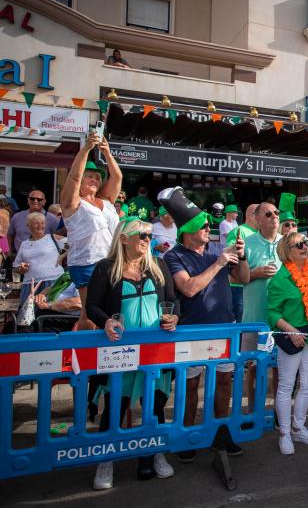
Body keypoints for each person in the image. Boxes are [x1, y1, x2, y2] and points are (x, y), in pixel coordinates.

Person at [84, 218, 179, 489]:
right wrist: (106, 321)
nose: (147, 238)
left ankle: (153, 455)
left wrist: (174, 319)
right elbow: (92, 306)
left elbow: (173, 302)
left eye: (150, 234)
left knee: (156, 405)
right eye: (141, 234)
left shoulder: (158, 265)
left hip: (155, 351)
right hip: (119, 351)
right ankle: (106, 461)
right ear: (123, 238)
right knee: (116, 406)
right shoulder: (105, 268)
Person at [159, 187, 248, 463]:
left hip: (223, 328)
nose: (209, 229)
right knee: (190, 386)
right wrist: (219, 262)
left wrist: (241, 257)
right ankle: (187, 435)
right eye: (205, 225)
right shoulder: (174, 256)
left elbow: (243, 278)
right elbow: (187, 288)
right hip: (192, 331)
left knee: (223, 381)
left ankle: (220, 433)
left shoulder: (216, 253)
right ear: (189, 230)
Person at [268, 232, 308, 454]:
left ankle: (298, 428)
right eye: (298, 244)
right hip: (290, 336)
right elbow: (272, 313)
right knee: (286, 386)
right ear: (287, 251)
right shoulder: (280, 279)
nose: (304, 246)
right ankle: (284, 433)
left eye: (306, 242)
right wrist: (291, 331)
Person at [61, 132, 121, 330]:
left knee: (108, 310)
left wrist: (107, 153)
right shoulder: (73, 203)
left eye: (97, 177)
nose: (94, 179)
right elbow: (74, 177)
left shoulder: (105, 201)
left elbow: (118, 176)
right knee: (89, 313)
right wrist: (86, 148)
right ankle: (81, 353)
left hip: (109, 261)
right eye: (90, 176)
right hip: (86, 262)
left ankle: (104, 352)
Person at [240, 201, 281, 411]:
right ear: (257, 219)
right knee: (255, 368)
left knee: (281, 370)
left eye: (276, 212)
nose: (274, 216)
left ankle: (278, 413)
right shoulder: (246, 243)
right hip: (255, 318)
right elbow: (234, 278)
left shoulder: (288, 243)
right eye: (268, 214)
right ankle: (253, 412)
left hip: (283, 320)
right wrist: (256, 273)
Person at [13, 212, 66, 319]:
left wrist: (62, 256)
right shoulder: (24, 244)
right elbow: (15, 267)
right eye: (36, 223)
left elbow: (74, 245)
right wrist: (21, 268)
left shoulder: (52, 238)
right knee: (27, 317)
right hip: (30, 285)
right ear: (28, 226)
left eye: (42, 223)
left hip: (52, 282)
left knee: (50, 315)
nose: (40, 226)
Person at [227, 203, 259, 324]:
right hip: (240, 289)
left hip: (253, 288)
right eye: (262, 214)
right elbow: (231, 259)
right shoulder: (239, 231)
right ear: (251, 216)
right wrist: (253, 273)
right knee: (242, 327)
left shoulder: (259, 234)